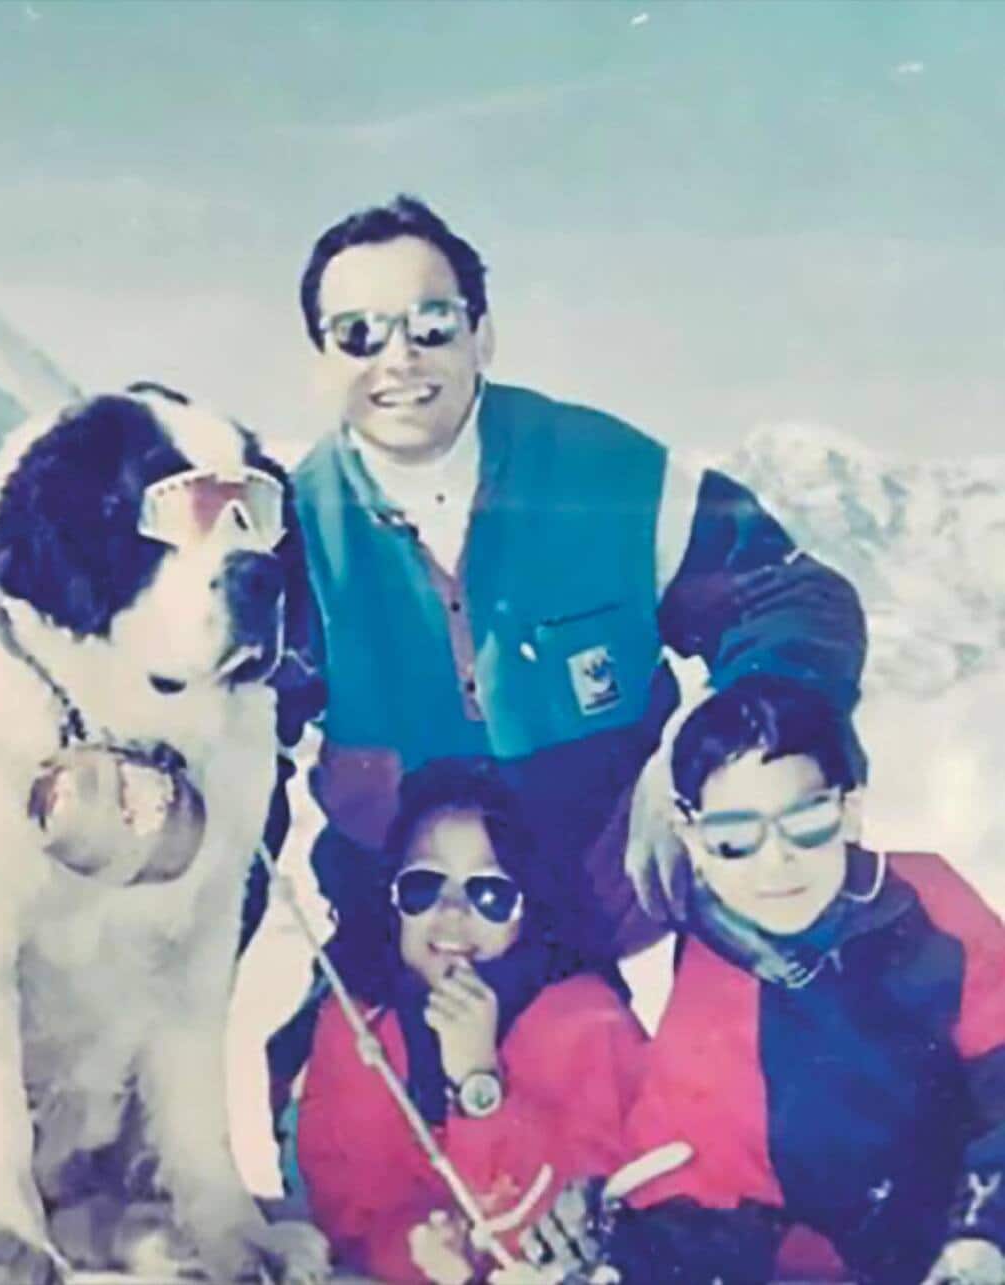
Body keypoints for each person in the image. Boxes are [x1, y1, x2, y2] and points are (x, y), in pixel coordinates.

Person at [272, 193, 867, 1101]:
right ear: (320, 359)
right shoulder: (290, 531)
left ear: (483, 335)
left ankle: (775, 1128)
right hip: (416, 915)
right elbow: (234, 719)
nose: (399, 358)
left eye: (431, 324)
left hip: (605, 884)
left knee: (645, 1101)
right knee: (363, 1160)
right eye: (357, 333)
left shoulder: (604, 474)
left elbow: (788, 595)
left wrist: (734, 742)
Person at [533, 675, 1005, 1285]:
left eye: (804, 821)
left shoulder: (930, 905)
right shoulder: (711, 995)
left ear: (850, 809)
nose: (775, 861)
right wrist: (618, 1251)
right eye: (735, 837)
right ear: (692, 837)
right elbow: (695, 1191)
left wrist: (984, 1236)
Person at [295, 758, 644, 1284]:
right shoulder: (357, 1023)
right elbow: (348, 1213)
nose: (452, 913)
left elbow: (580, 1231)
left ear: (533, 908)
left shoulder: (590, 1026)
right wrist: (421, 1251)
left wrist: (479, 1085)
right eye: (424, 885)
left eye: (489, 893)